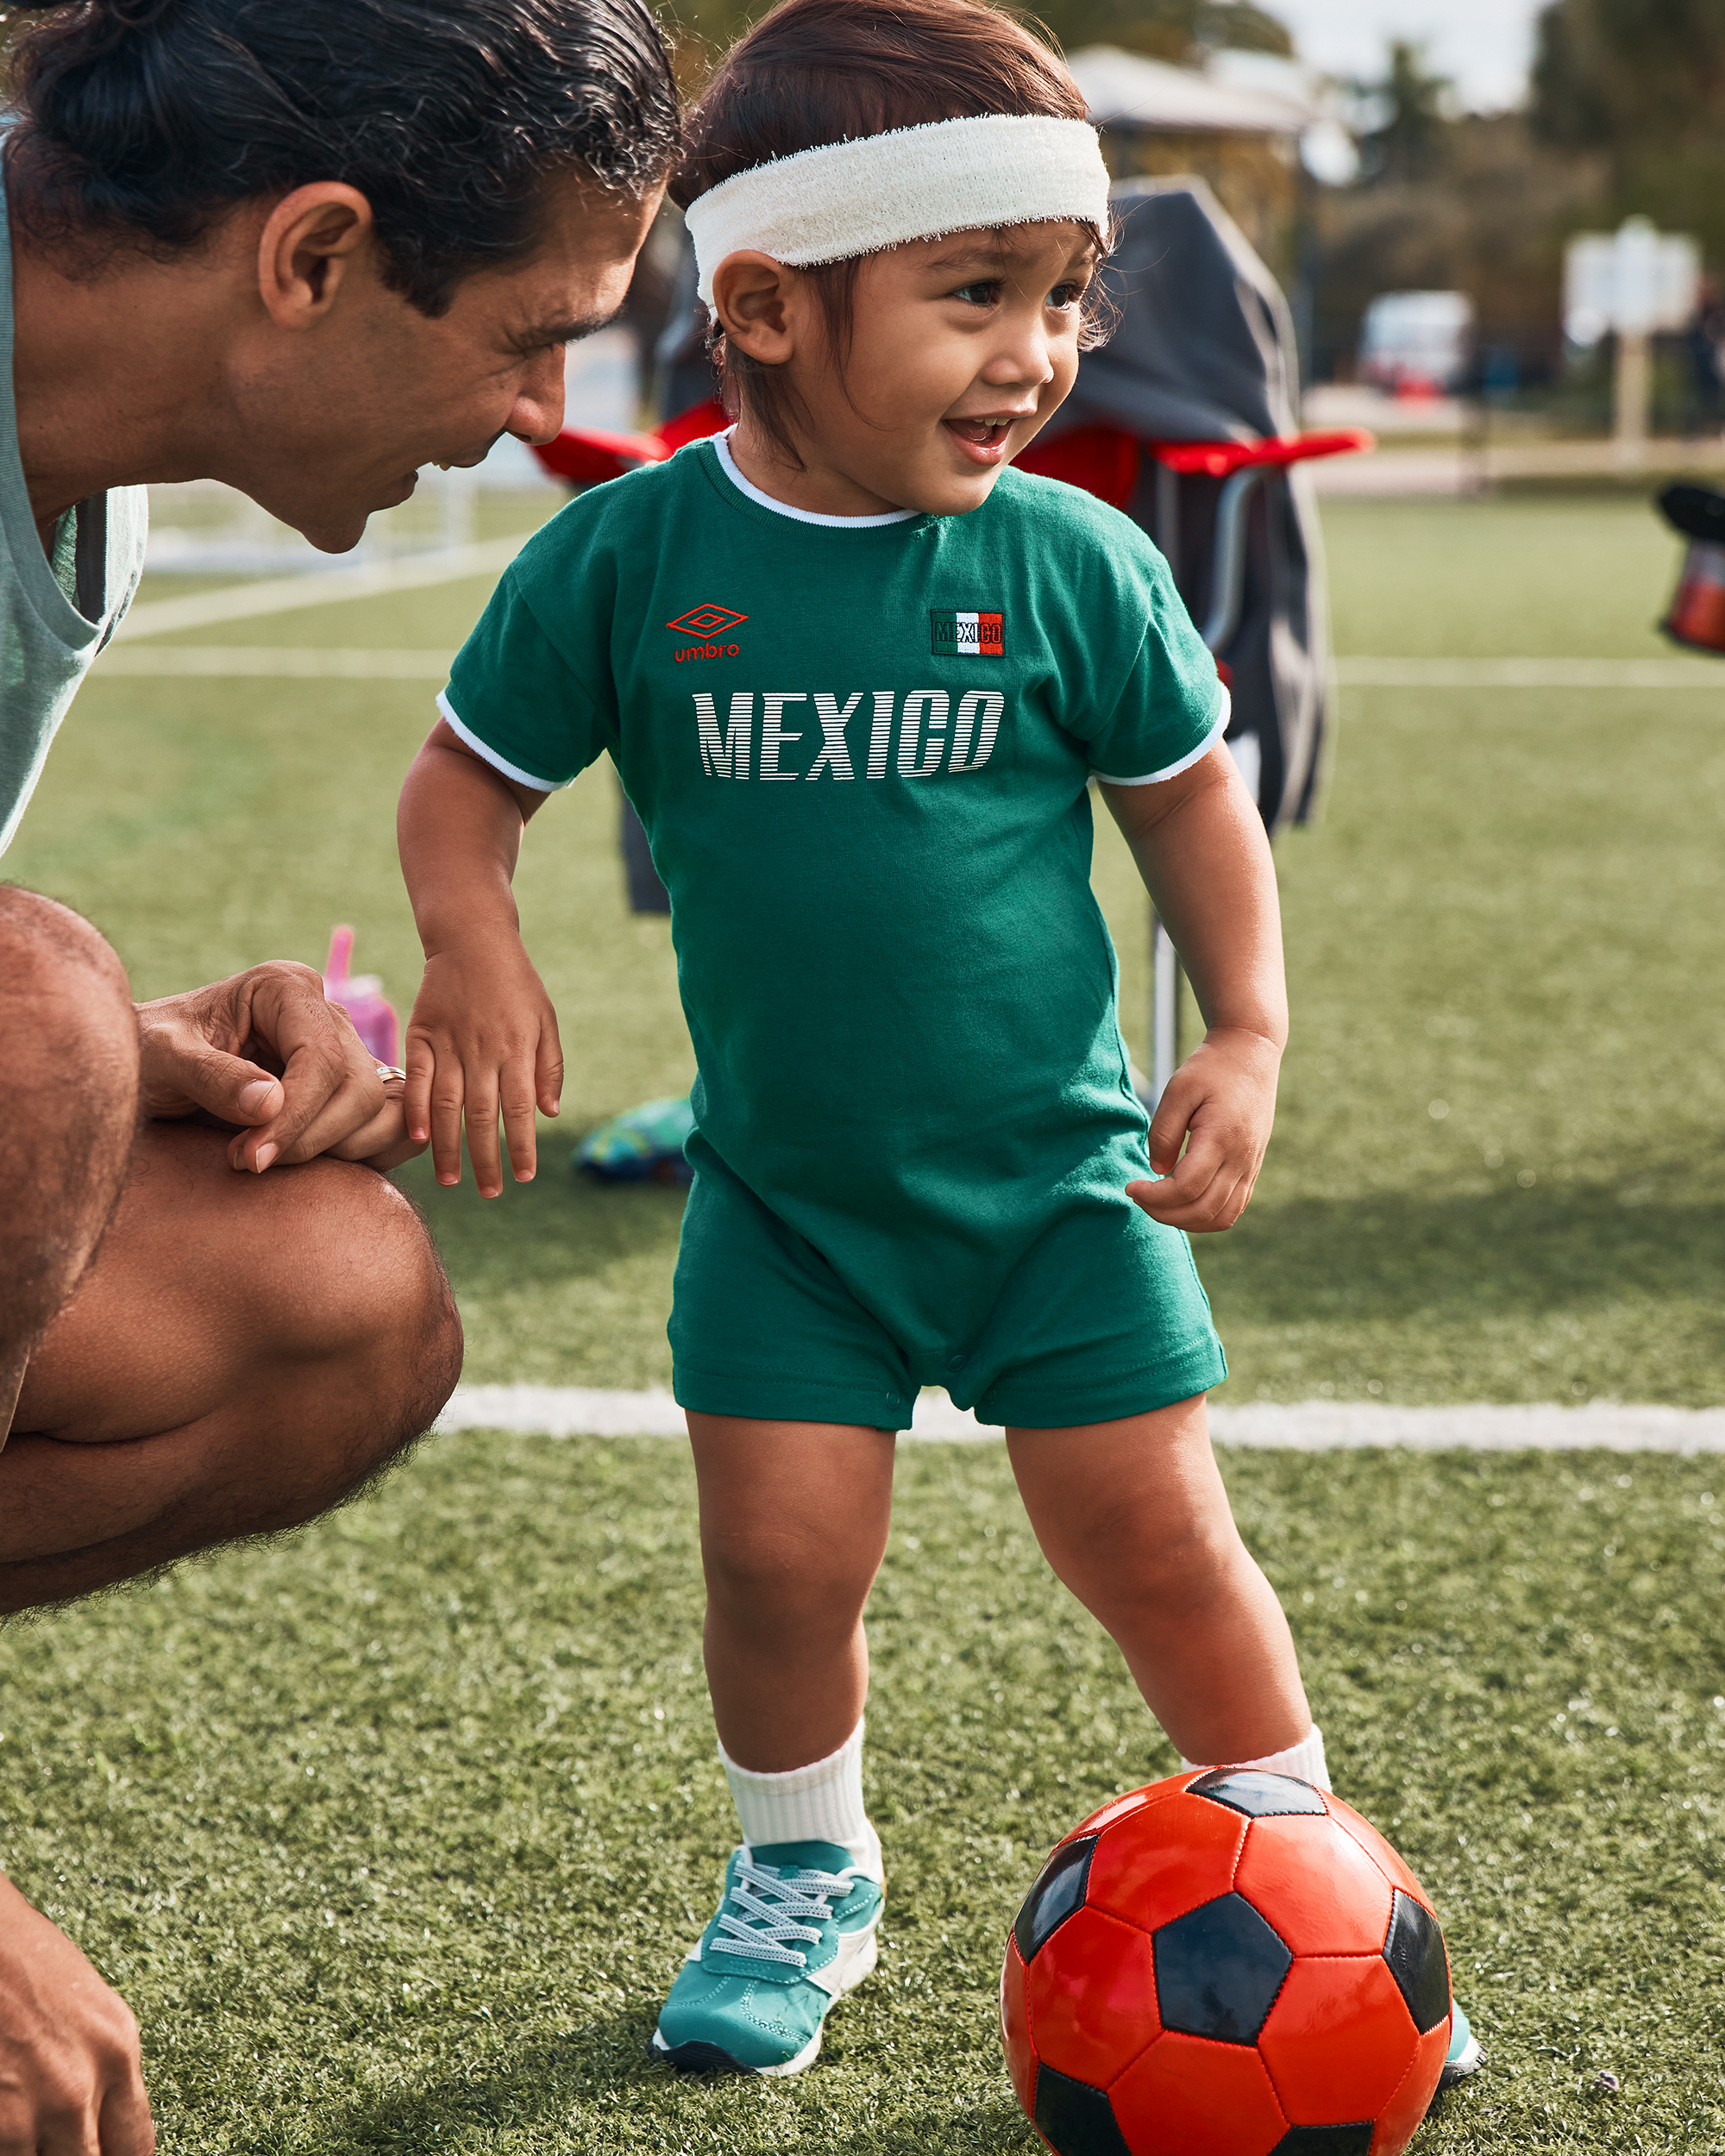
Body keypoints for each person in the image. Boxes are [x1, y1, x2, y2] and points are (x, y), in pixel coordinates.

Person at [395, 0, 1481, 2093]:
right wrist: (471, 949)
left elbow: (1189, 800)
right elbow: (468, 780)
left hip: (1056, 1184)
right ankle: (806, 1868)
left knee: (1157, 1541)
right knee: (777, 1558)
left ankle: (1320, 1869)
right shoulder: (630, 559)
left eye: (1063, 297)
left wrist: (1246, 1027)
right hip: (788, 1201)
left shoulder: (1071, 561)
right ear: (771, 303)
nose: (1037, 353)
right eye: (975, 294)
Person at [0, 0, 678, 2147]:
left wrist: (143, 1039)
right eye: (525, 335)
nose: (542, 419)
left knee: (333, 1297)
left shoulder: (67, 470)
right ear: (308, 256)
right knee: (29, 1013)